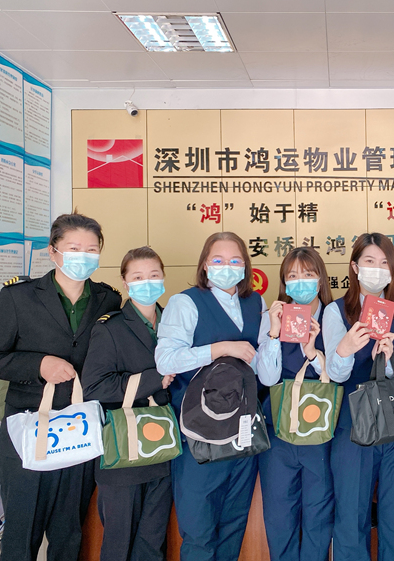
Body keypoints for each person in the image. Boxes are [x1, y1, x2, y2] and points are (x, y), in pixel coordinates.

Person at [0, 213, 121, 561]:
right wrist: (39, 365)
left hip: (80, 428)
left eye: (91, 249)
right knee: (22, 532)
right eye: (74, 248)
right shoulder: (18, 297)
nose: (83, 256)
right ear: (53, 251)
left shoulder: (107, 300)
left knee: (69, 532)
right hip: (29, 429)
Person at [155, 232, 270, 561]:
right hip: (199, 435)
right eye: (218, 260)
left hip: (243, 433)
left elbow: (263, 365)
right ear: (205, 265)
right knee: (199, 531)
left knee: (233, 525)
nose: (226, 266)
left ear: (245, 266)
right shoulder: (185, 302)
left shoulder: (256, 303)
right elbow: (166, 360)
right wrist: (219, 349)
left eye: (235, 260)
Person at [322, 233, 394, 561]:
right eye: (369, 261)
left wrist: (391, 359)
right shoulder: (336, 311)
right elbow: (336, 374)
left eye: (384, 263)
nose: (377, 269)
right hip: (352, 425)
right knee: (351, 515)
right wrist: (346, 348)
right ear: (355, 267)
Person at [82, 246, 174, 561]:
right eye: (137, 277)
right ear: (125, 283)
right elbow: (94, 387)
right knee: (119, 544)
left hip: (165, 450)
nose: (147, 282)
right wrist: (153, 379)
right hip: (123, 453)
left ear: (163, 278)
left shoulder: (176, 323)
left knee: (153, 543)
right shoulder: (110, 327)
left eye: (153, 275)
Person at [255, 247, 334, 561]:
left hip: (321, 431)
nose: (301, 281)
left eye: (308, 274)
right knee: (279, 514)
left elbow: (342, 372)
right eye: (293, 275)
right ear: (284, 283)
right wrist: (274, 334)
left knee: (319, 513)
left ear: (320, 279)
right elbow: (267, 377)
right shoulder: (272, 317)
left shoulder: (334, 315)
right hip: (278, 429)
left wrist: (313, 353)